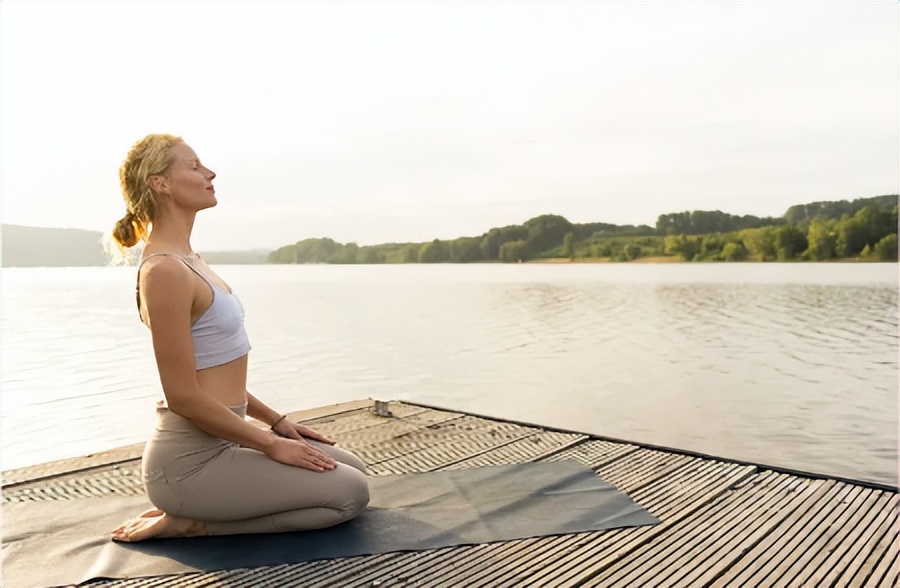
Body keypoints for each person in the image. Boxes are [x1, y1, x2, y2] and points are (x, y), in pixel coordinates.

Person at [110, 134, 369, 542]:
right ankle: (190, 522)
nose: (210, 173)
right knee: (348, 494)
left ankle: (201, 510)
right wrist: (269, 444)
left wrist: (279, 424)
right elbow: (183, 396)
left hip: (227, 438)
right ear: (160, 183)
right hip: (189, 463)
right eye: (194, 167)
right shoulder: (164, 272)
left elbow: (215, 374)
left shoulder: (190, 261)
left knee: (353, 468)